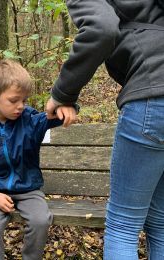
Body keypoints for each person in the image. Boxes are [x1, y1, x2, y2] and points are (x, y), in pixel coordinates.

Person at [45, 1, 164, 259]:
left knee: (123, 224)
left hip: (152, 95)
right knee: (161, 222)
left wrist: (61, 94)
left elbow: (102, 29)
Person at [0, 59, 77, 260]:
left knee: (41, 220)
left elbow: (53, 116)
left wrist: (66, 106)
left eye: (24, 100)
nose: (20, 106)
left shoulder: (30, 121)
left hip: (28, 188)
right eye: (14, 100)